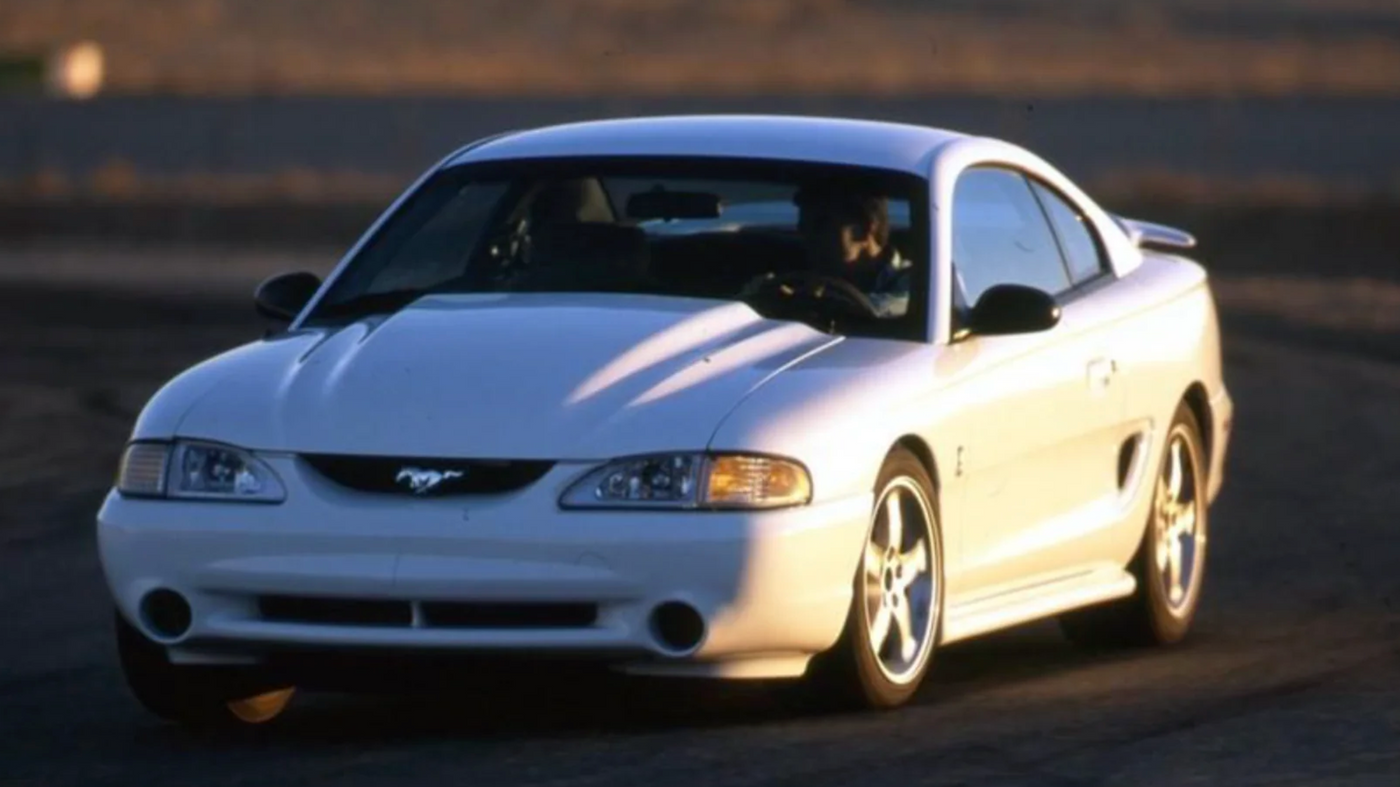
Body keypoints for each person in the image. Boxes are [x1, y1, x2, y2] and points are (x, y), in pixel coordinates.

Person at [790, 184, 911, 318]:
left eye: (821, 227)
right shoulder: (804, 280)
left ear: (863, 230)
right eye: (803, 229)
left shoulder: (915, 284)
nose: (809, 239)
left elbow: (893, 308)